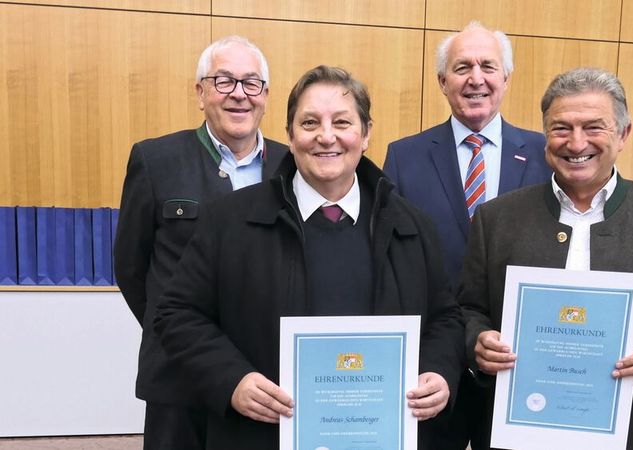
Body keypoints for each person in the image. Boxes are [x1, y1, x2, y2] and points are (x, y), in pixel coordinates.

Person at [153, 65, 465, 449]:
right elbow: (177, 314)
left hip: (381, 435)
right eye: (310, 122)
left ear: (366, 134)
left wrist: (440, 371)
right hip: (261, 434)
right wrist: (232, 379)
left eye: (342, 122)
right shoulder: (229, 220)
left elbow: (446, 319)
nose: (326, 136)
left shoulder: (413, 225)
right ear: (290, 135)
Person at [458, 67, 633, 449]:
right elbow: (468, 309)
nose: (576, 142)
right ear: (545, 136)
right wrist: (478, 341)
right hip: (519, 430)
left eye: (594, 127)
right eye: (561, 128)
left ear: (624, 134)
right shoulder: (497, 218)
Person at [114, 35, 288, 449]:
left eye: (251, 83)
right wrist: (176, 330)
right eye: (223, 81)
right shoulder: (154, 160)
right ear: (200, 92)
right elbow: (131, 267)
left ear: (265, 96)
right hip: (178, 376)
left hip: (263, 378)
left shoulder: (292, 167)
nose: (238, 95)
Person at [383, 21, 551, 449]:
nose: (476, 77)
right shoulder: (405, 157)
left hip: (519, 362)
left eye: (488, 66)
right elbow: (390, 259)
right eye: (462, 67)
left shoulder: (546, 154)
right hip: (432, 369)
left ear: (507, 78)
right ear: (442, 81)